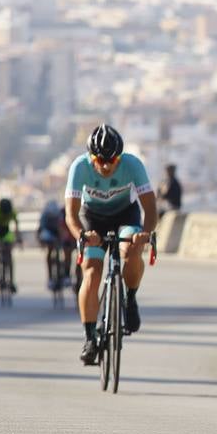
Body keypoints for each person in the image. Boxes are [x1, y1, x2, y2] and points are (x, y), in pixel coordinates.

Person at [64, 123, 158, 365]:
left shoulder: (133, 164)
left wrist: (144, 234)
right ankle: (89, 338)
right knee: (92, 273)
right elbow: (71, 215)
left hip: (125, 214)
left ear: (120, 157)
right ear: (90, 156)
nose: (105, 166)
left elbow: (150, 208)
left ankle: (131, 297)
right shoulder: (79, 167)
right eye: (99, 160)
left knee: (131, 249)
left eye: (112, 160)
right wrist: (82, 236)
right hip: (91, 218)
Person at [37, 199, 75, 291]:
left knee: (67, 251)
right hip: (49, 232)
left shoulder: (60, 214)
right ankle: (50, 277)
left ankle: (66, 274)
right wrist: (41, 242)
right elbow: (40, 231)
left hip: (59, 232)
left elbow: (63, 229)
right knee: (49, 250)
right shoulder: (44, 216)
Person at [0, 198, 21, 293]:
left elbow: (16, 225)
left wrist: (18, 238)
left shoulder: (12, 212)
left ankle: (11, 281)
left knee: (9, 255)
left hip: (6, 232)